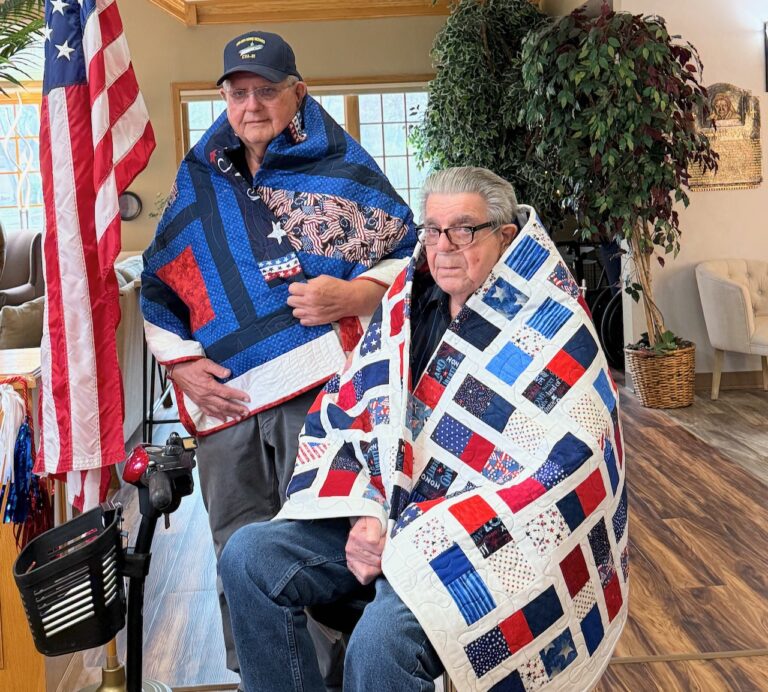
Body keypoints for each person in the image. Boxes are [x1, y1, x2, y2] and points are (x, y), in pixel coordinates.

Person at [220, 167, 629, 691]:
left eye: (464, 229)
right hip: (383, 516)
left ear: (505, 236)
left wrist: (422, 532)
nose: (444, 246)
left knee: (380, 645)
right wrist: (366, 509)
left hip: (477, 544)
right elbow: (352, 410)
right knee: (248, 558)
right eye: (432, 230)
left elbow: (568, 465)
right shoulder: (407, 306)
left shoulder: (551, 325)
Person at [140, 30, 416, 677]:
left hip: (325, 401)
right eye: (239, 92)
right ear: (225, 98)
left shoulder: (341, 165)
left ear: (298, 91)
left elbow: (409, 254)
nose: (253, 104)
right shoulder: (200, 173)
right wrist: (180, 363)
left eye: (267, 89)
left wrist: (351, 294)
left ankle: (348, 675)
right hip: (228, 404)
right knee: (238, 549)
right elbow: (160, 281)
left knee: (324, 550)